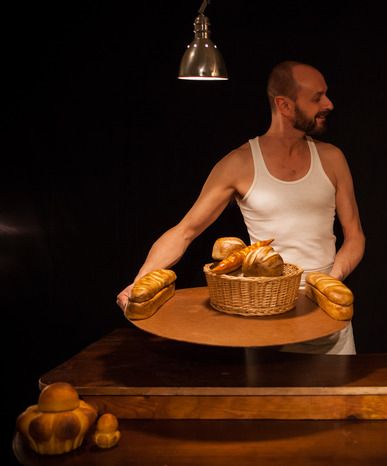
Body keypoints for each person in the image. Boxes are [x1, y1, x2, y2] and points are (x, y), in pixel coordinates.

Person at [116, 61, 365, 354]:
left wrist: (327, 284)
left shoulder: (333, 159)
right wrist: (138, 283)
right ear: (284, 105)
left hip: (327, 322)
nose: (329, 104)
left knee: (335, 402)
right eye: (317, 97)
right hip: (263, 324)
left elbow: (355, 236)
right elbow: (184, 232)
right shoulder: (239, 164)